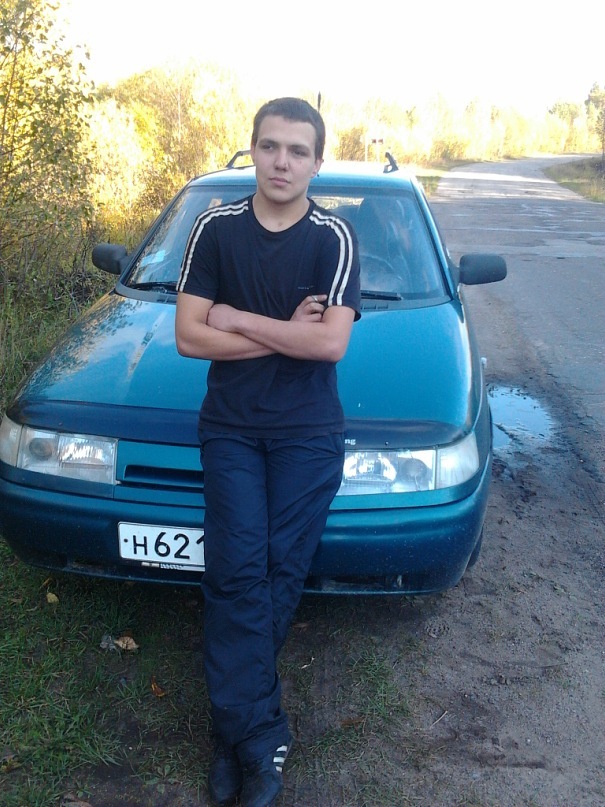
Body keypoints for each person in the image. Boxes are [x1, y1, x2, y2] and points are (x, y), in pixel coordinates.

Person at [175, 97, 360, 807]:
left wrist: (237, 318)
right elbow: (189, 337)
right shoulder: (215, 228)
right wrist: (285, 331)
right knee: (234, 569)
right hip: (230, 428)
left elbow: (329, 344)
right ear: (252, 149)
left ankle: (233, 734)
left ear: (316, 161)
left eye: (298, 150)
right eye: (271, 146)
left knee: (279, 572)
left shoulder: (333, 237)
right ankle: (257, 737)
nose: (283, 161)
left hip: (307, 434)